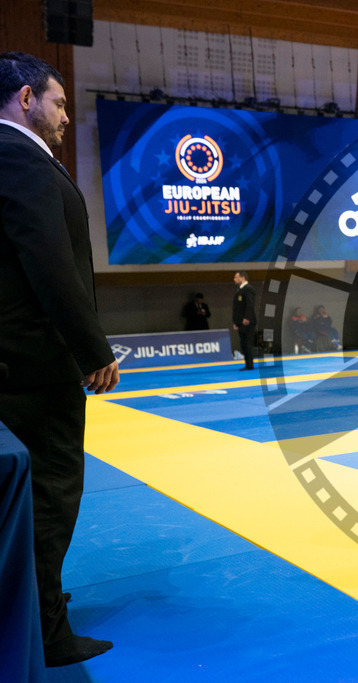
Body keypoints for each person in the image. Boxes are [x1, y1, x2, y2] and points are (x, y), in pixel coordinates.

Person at [0, 51, 118, 667]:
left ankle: (35, 611)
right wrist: (92, 349)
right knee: (51, 495)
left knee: (35, 497)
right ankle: (46, 630)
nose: (67, 117)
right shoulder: (17, 158)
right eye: (60, 102)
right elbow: (48, 265)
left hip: (18, 363)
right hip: (34, 366)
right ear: (25, 99)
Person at [232, 271, 257, 369]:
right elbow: (237, 308)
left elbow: (250, 304)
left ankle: (250, 365)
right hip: (241, 322)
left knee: (247, 343)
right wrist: (236, 322)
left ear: (242, 278)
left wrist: (247, 318)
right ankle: (247, 364)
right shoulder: (239, 290)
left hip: (247, 321)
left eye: (236, 277)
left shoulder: (248, 289)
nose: (234, 279)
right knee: (243, 344)